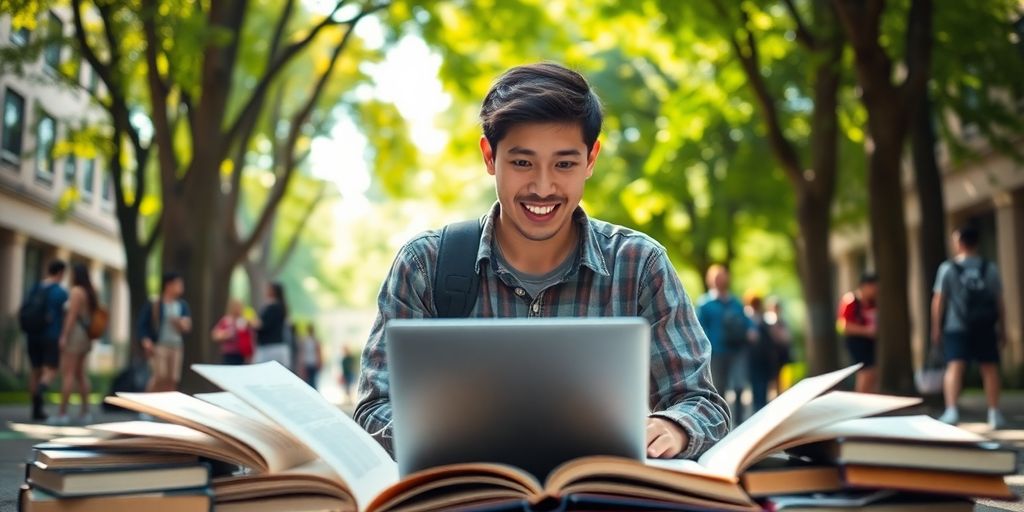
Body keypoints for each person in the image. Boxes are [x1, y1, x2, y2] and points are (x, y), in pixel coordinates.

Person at [355, 63, 729, 460]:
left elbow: (703, 404)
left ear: (591, 159)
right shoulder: (425, 265)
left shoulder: (639, 265)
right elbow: (374, 408)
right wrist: (454, 436)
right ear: (489, 156)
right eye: (522, 163)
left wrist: (673, 427)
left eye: (564, 164)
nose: (543, 186)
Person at [932, 225, 1006, 429]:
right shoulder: (989, 268)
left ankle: (951, 410)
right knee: (989, 368)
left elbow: (939, 300)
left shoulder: (947, 268)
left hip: (956, 325)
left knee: (955, 366)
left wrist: (936, 327)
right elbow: (999, 300)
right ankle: (994, 412)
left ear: (959, 243)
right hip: (985, 326)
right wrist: (1003, 327)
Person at [696, 265, 755, 422]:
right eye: (716, 277)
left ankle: (740, 422)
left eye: (722, 276)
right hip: (716, 353)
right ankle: (720, 423)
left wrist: (751, 331)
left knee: (739, 386)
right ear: (710, 281)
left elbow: (747, 321)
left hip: (737, 351)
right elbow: (699, 329)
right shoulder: (704, 304)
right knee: (718, 388)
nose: (719, 280)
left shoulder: (735, 302)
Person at [19, 260, 67, 421]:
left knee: (35, 370)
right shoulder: (60, 292)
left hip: (32, 334)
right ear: (61, 273)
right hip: (51, 335)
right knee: (51, 370)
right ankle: (41, 390)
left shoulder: (35, 288)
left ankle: (35, 409)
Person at [52, 264, 98, 425]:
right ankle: (85, 412)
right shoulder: (91, 292)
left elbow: (71, 316)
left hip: (75, 335)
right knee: (80, 374)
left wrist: (63, 336)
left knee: (68, 374)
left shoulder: (76, 292)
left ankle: (62, 413)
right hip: (86, 336)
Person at [138, 272, 192, 392]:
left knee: (172, 379)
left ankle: (166, 406)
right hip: (159, 345)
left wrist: (180, 323)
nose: (181, 287)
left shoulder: (182, 305)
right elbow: (143, 324)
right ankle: (147, 405)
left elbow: (187, 326)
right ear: (169, 285)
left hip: (176, 346)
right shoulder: (155, 303)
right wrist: (146, 340)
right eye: (178, 284)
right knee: (159, 376)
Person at [837, 272, 878, 393]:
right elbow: (843, 325)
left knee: (873, 373)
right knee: (865, 372)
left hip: (870, 342)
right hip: (856, 342)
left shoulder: (873, 303)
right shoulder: (851, 301)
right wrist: (866, 331)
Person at [745, 295, 777, 413]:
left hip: (757, 357)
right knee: (759, 384)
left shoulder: (752, 319)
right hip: (759, 357)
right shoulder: (759, 319)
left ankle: (759, 408)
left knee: (759, 384)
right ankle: (760, 408)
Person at [253, 282, 290, 367]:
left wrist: (252, 323)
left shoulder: (272, 307)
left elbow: (262, 325)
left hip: (269, 347)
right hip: (279, 346)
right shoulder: (282, 307)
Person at [764, 297, 792, 394]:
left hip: (781, 352)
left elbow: (787, 337)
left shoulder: (782, 321)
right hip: (772, 353)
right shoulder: (768, 320)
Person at [211, 298, 252, 365]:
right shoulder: (226, 320)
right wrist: (226, 334)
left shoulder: (244, 320)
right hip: (229, 354)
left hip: (242, 354)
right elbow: (215, 335)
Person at [297, 324, 323, 389]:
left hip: (312, 363)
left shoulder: (315, 340)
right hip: (308, 363)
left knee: (312, 381)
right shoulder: (306, 340)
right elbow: (303, 352)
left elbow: (318, 352)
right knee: (309, 381)